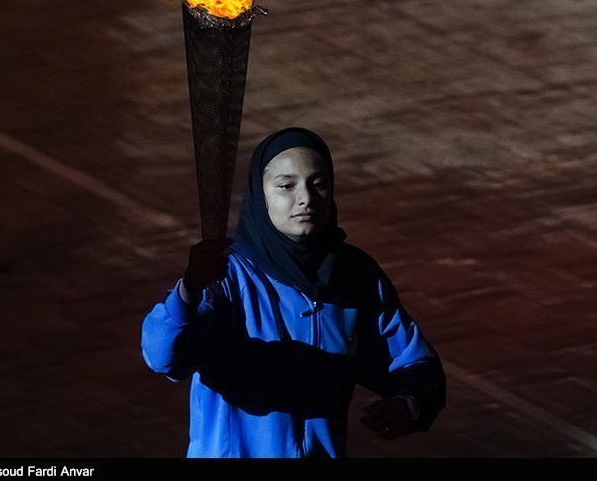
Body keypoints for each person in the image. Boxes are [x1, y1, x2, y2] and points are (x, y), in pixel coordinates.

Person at [141, 127, 445, 458]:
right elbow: (163, 357)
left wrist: (408, 404)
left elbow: (414, 363)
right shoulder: (224, 274)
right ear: (260, 195)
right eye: (287, 186)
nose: (306, 198)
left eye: (318, 184)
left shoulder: (355, 277)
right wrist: (189, 289)